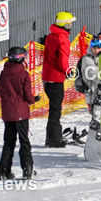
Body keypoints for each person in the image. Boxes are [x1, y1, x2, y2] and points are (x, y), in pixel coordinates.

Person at [0, 46, 38, 179]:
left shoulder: (4, 73)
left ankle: (4, 169)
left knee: (9, 142)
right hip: (21, 112)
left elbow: (1, 92)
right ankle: (27, 168)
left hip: (8, 113)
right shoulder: (23, 74)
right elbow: (27, 94)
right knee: (24, 141)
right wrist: (33, 100)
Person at [42, 11, 75, 147]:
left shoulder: (51, 36)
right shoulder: (63, 40)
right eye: (70, 23)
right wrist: (68, 71)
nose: (71, 25)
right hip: (55, 78)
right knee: (55, 110)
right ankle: (54, 140)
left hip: (47, 77)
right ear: (66, 25)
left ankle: (51, 137)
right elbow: (62, 61)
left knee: (53, 109)